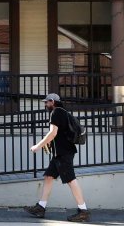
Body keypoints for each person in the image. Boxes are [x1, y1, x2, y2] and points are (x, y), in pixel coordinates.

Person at [23, 93, 90, 222]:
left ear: (52, 102)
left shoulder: (56, 112)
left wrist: (38, 145)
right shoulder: (62, 112)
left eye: (46, 102)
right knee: (49, 176)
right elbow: (58, 134)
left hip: (63, 153)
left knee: (71, 179)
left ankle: (83, 211)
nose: (45, 105)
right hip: (60, 153)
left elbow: (52, 133)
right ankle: (41, 207)